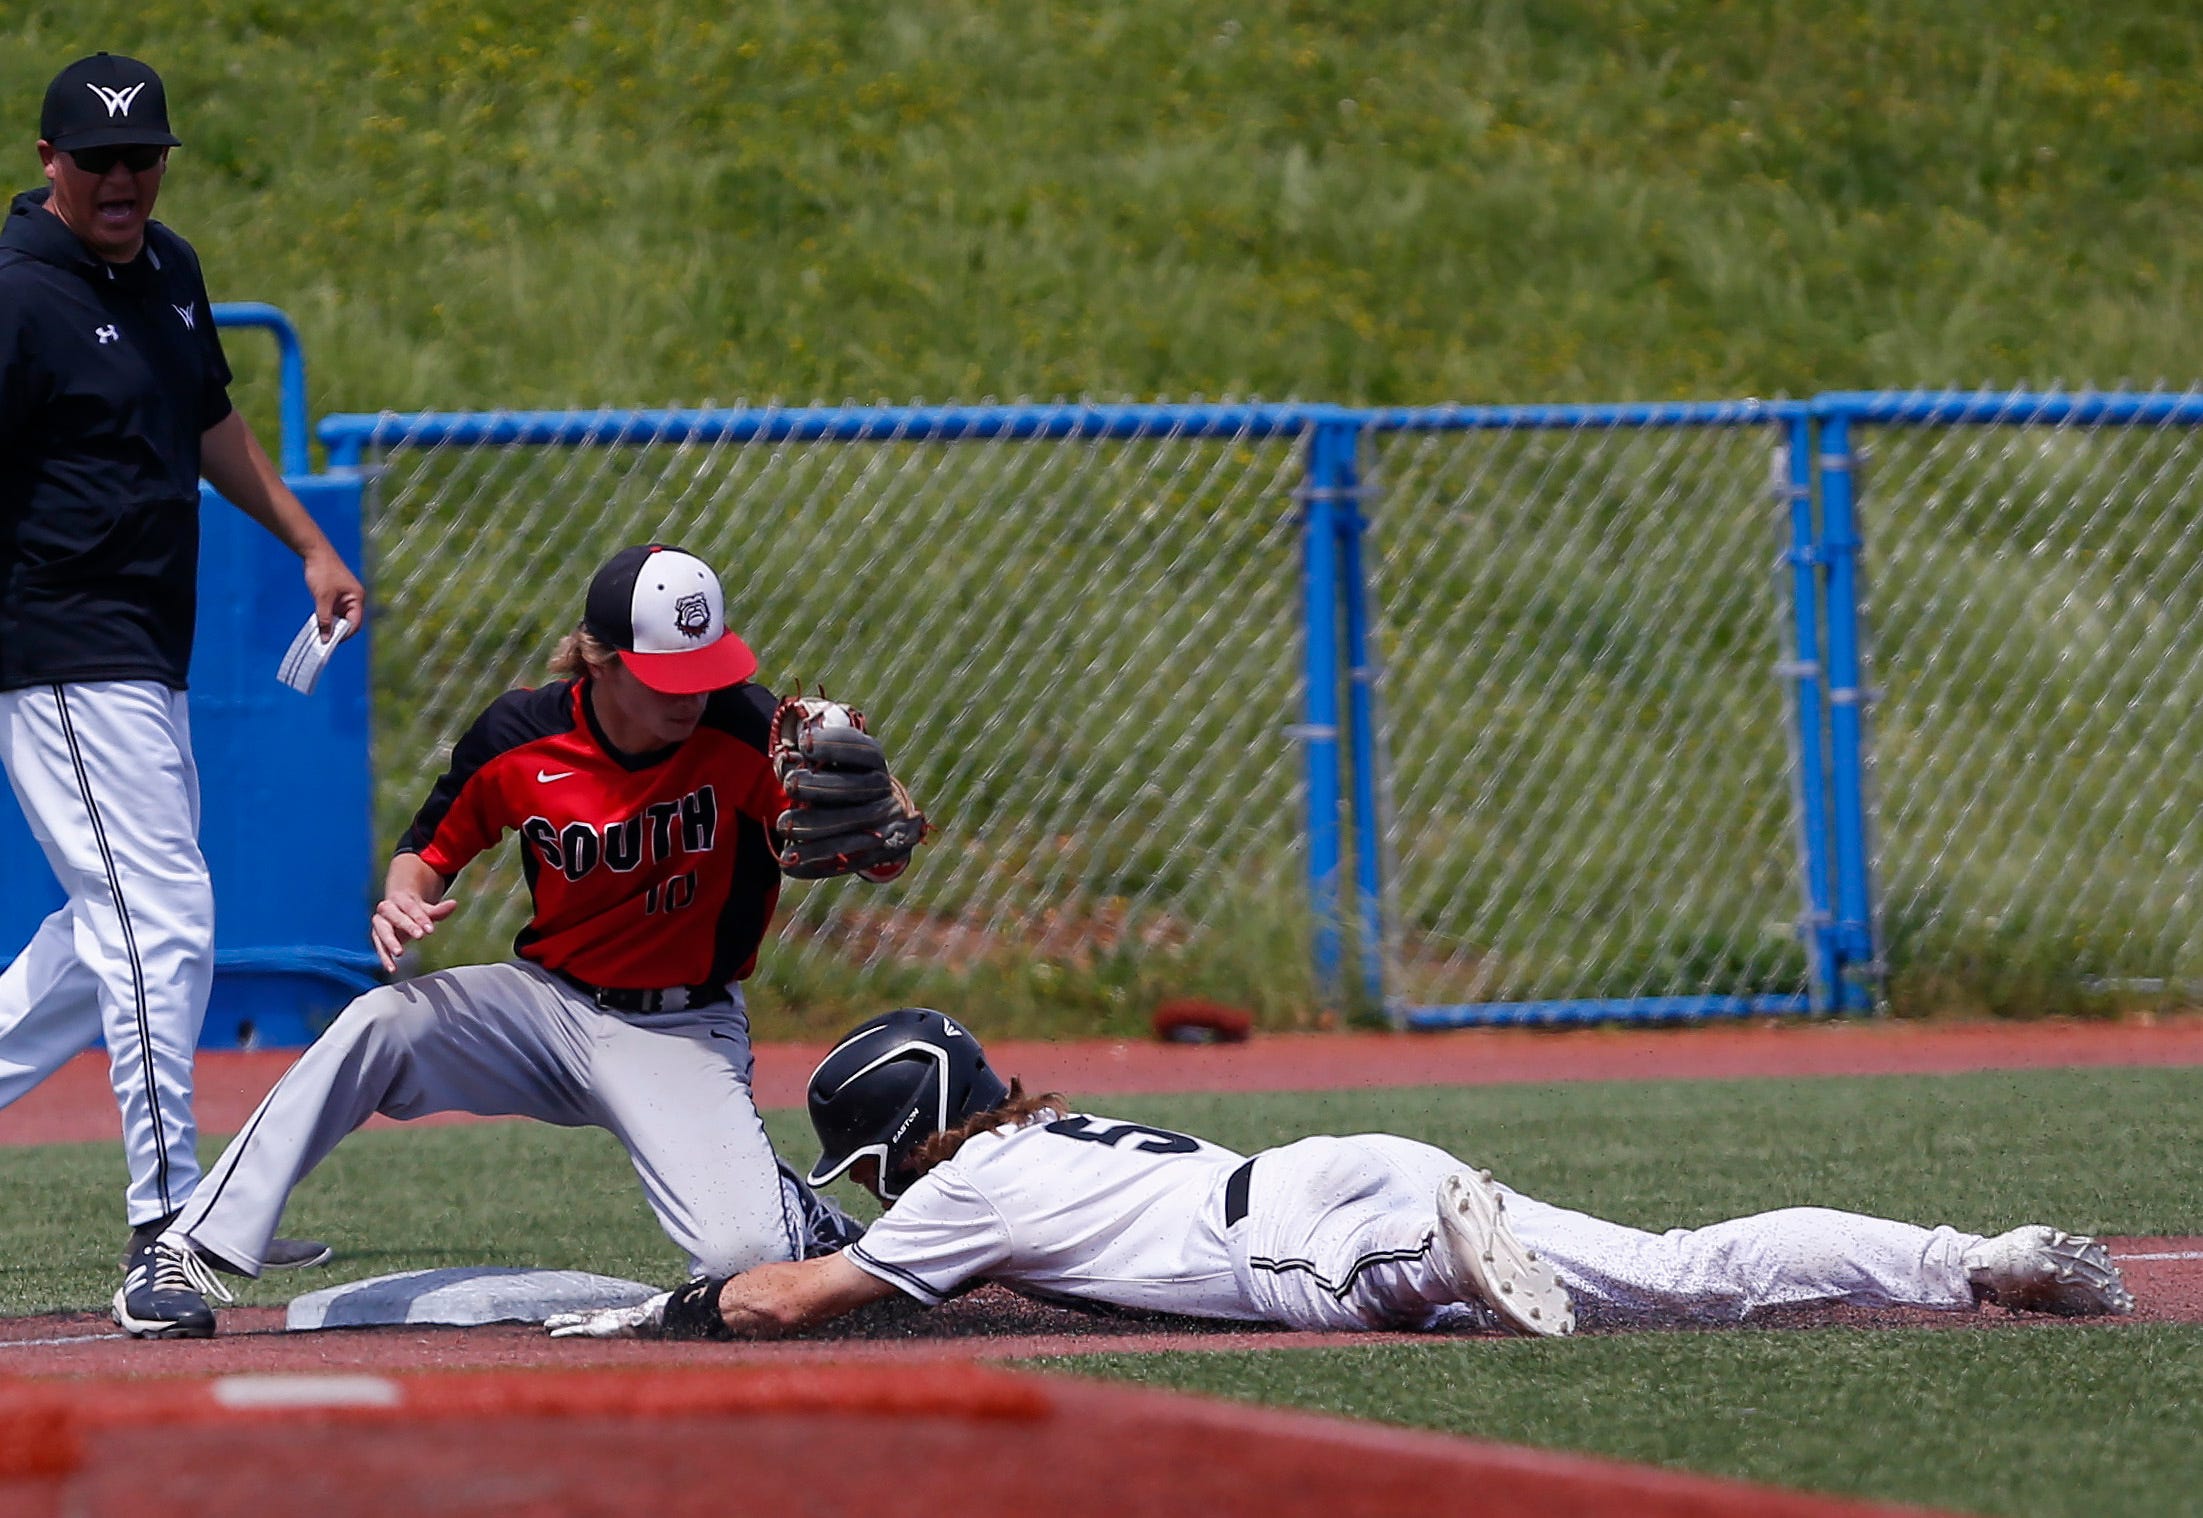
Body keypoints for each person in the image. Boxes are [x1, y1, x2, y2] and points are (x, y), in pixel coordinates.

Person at [117, 544, 888, 1337]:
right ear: (601, 659)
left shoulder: (749, 731)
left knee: (746, 1260)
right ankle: (185, 1247)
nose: (692, 696)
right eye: (668, 677)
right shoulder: (522, 735)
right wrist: (400, 901)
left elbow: (872, 849)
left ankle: (796, 1215)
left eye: (704, 669)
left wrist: (877, 824)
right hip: (543, 1010)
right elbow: (428, 851)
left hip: (680, 1030)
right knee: (379, 1022)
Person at [546, 1007, 2138, 1342]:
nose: (881, 1193)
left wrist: (678, 1307)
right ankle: (1960, 1253)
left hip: (1299, 1234)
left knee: (1352, 1298)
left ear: (910, 1139)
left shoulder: (957, 1197)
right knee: (1678, 1266)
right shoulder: (1035, 1143)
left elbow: (790, 1299)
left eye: (876, 1166)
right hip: (1340, 1158)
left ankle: (1439, 1271)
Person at [0, 53, 366, 1310]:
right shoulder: (15, 296)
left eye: (142, 155)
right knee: (164, 924)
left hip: (143, 654)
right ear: (47, 160)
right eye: (97, 158)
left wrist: (310, 542)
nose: (122, 178)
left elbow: (209, 418)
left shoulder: (168, 268)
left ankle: (183, 1213)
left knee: (106, 934)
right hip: (57, 653)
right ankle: (171, 1225)